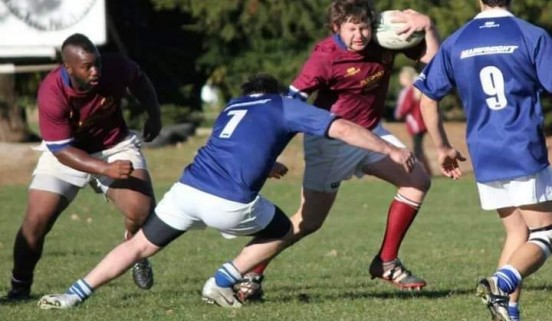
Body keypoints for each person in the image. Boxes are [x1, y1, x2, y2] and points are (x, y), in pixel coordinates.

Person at [36, 74, 416, 309]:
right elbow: (343, 128)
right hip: (229, 203)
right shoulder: (282, 105)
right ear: (273, 91)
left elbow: (238, 146)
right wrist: (390, 148)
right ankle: (221, 281)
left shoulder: (233, 106)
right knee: (285, 228)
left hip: (186, 191)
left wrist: (268, 165)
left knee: (138, 247)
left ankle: (74, 294)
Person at [235, 0, 440, 300]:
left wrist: (428, 26)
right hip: (330, 143)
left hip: (370, 134)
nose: (360, 35)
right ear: (336, 28)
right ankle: (249, 271)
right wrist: (269, 155)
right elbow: (288, 107)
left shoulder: (384, 40)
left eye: (364, 27)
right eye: (352, 29)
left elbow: (435, 65)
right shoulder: (326, 56)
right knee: (307, 222)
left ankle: (386, 261)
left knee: (417, 180)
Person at [414, 1, 552, 320]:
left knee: (518, 232)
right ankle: (502, 282)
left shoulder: (457, 40)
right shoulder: (531, 35)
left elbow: (427, 99)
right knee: (546, 233)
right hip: (522, 147)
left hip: (484, 152)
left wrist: (443, 148)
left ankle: (508, 310)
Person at [4, 33, 161, 301]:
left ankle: (132, 247)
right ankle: (20, 287)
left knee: (143, 210)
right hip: (67, 153)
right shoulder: (52, 91)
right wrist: (104, 169)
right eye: (87, 66)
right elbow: (62, 150)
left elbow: (140, 80)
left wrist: (154, 115)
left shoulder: (115, 67)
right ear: (68, 67)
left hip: (114, 146)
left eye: (97, 63)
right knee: (35, 222)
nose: (95, 70)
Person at [394, 66, 432, 175]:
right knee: (419, 148)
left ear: (406, 78)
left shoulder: (409, 90)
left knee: (417, 149)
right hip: (421, 123)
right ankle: (427, 170)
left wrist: (399, 114)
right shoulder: (416, 89)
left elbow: (405, 106)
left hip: (415, 124)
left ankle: (421, 171)